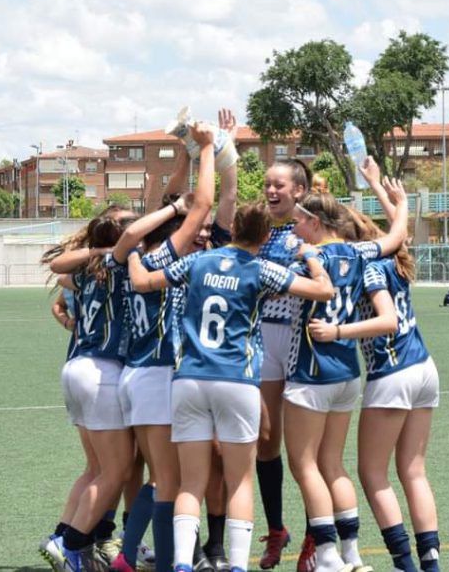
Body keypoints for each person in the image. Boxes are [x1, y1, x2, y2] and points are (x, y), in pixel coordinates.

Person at [129, 202, 335, 572]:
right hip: (236, 380)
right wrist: (313, 258)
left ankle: (181, 563)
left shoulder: (198, 261)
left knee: (191, 483)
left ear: (234, 227)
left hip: (189, 378)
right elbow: (323, 291)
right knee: (240, 480)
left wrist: (129, 251)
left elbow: (143, 282)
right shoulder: (263, 269)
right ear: (267, 235)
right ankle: (237, 565)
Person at [108, 121, 219, 572]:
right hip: (155, 374)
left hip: (134, 375)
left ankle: (131, 557)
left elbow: (158, 212)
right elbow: (202, 204)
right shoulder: (162, 259)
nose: (199, 229)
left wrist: (185, 154)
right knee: (167, 480)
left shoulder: (129, 255)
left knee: (159, 477)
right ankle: (143, 559)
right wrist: (208, 150)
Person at [284, 186, 409, 572]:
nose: (295, 228)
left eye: (299, 221)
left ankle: (326, 555)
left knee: (304, 465)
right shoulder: (358, 251)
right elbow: (395, 238)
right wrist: (401, 206)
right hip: (346, 371)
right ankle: (352, 554)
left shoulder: (308, 259)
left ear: (315, 222)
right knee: (332, 465)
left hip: (310, 370)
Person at [341, 158, 442, 572]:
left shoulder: (365, 265)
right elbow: (397, 232)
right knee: (413, 472)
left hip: (393, 372)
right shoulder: (393, 256)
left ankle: (404, 563)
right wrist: (381, 190)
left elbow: (386, 319)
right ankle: (430, 561)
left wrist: (339, 333)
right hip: (425, 369)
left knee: (371, 473)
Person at [44, 209, 139, 572]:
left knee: (97, 467)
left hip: (76, 367)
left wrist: (95, 250)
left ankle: (62, 535)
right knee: (117, 470)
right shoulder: (121, 268)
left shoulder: (86, 272)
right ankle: (74, 544)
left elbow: (59, 267)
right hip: (102, 369)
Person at [255, 159, 312, 570]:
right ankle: (277, 530)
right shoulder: (259, 230)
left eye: (279, 185)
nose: (271, 191)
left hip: (301, 340)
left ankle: (317, 532)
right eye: (267, 185)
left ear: (299, 190)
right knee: (264, 439)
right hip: (263, 341)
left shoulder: (313, 230)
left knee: (303, 452)